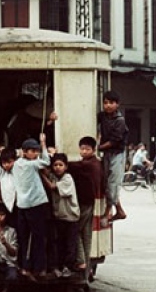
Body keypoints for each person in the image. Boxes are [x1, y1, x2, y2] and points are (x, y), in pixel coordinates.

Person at [13, 135, 51, 281]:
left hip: (22, 205)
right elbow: (46, 161)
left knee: (23, 237)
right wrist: (43, 144)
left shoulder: (17, 164)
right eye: (32, 151)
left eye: (36, 151)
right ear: (25, 152)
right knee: (38, 237)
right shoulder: (32, 164)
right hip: (36, 204)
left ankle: (24, 266)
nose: (35, 154)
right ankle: (38, 268)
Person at [67, 136, 104, 273]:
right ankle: (86, 268)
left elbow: (73, 166)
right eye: (82, 149)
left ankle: (82, 261)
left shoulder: (90, 164)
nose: (84, 151)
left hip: (84, 202)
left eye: (87, 149)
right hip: (89, 202)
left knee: (75, 230)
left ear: (93, 150)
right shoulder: (93, 162)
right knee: (86, 235)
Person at [42, 153, 79, 278]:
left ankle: (68, 267)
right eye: (55, 165)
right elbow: (46, 170)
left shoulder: (67, 178)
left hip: (70, 217)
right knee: (60, 243)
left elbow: (52, 186)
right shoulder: (54, 176)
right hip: (59, 217)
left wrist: (42, 176)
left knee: (70, 244)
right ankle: (59, 266)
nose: (58, 167)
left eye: (60, 165)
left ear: (66, 167)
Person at [97, 90, 128, 223]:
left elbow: (114, 141)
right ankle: (119, 211)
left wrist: (97, 147)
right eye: (105, 103)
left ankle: (107, 212)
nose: (108, 105)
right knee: (107, 183)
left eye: (111, 103)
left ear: (117, 104)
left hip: (117, 154)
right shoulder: (102, 116)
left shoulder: (120, 121)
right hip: (107, 154)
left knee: (112, 184)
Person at [0, 147, 18, 224]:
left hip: (20, 205)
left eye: (9, 162)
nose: (6, 165)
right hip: (8, 206)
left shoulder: (19, 172)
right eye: (4, 163)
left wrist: (16, 152)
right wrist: (0, 153)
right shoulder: (2, 174)